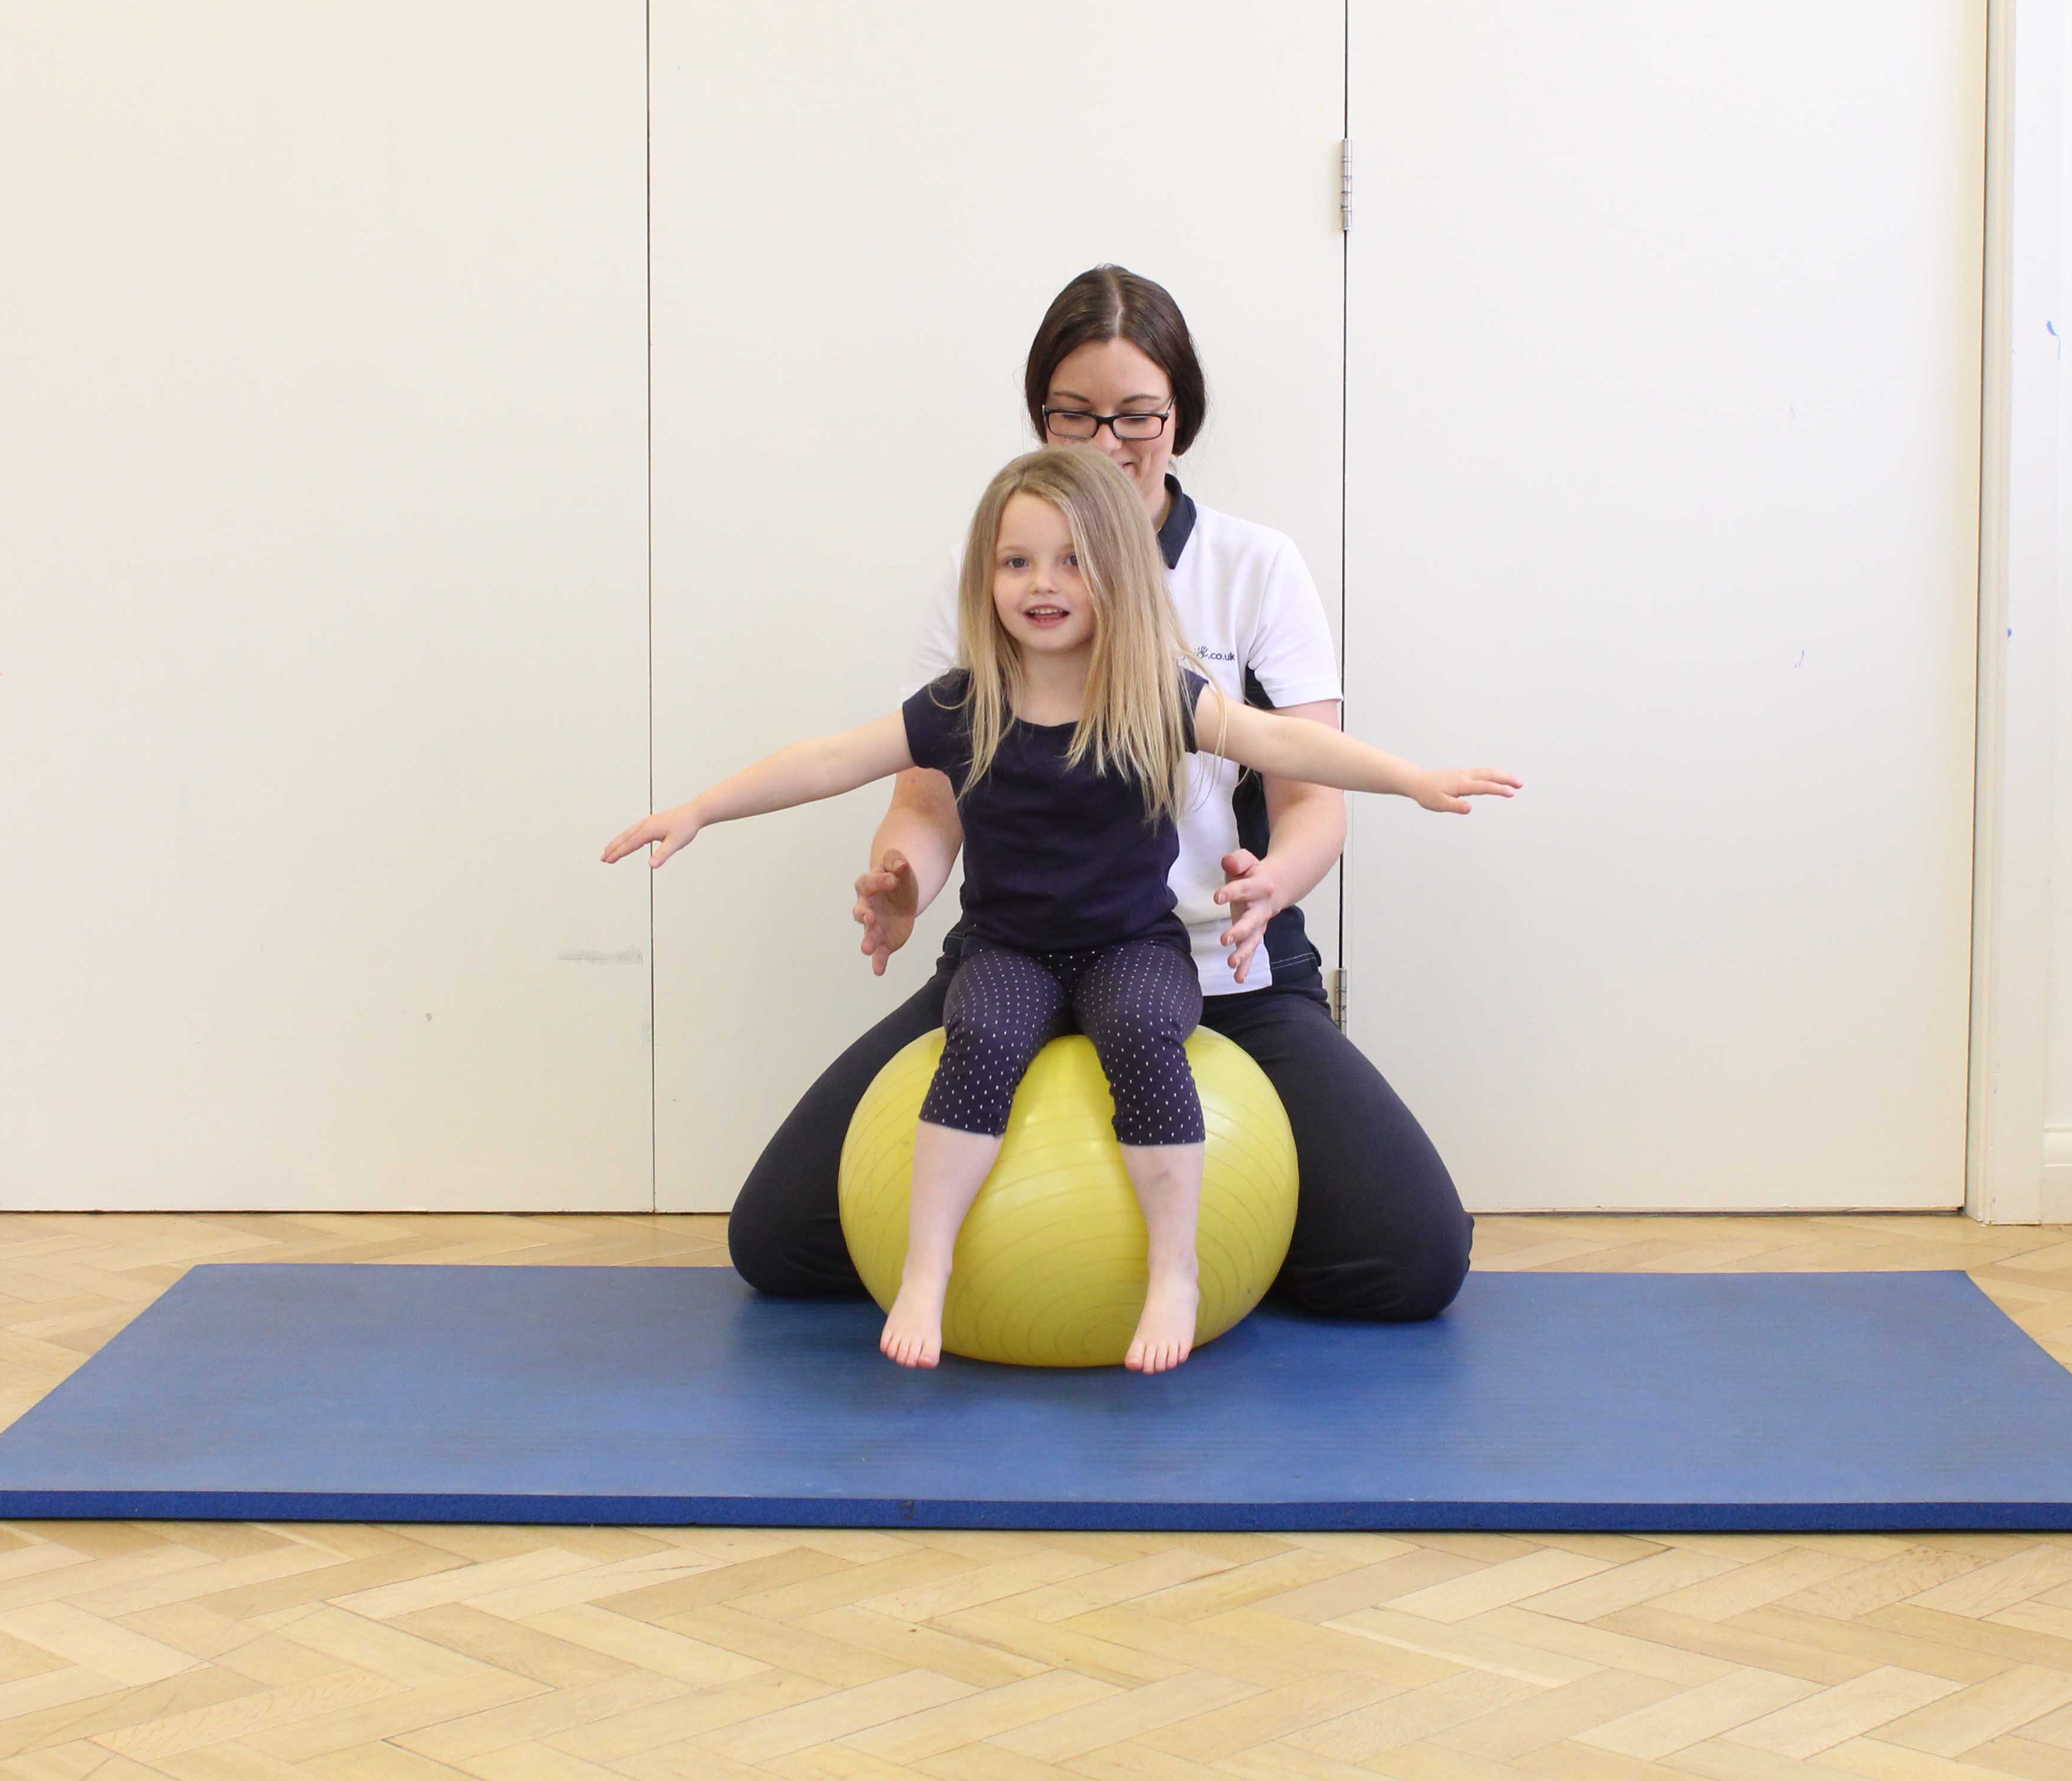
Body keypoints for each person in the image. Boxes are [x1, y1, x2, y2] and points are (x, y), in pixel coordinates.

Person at [609, 448, 1516, 1370]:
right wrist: (700, 809)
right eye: (1017, 562)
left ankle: (1174, 1272)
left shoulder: (1154, 695)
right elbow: (833, 759)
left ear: (1118, 572)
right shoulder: (965, 705)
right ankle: (927, 1269)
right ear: (987, 578)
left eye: (1073, 560)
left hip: (1133, 947)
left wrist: (1412, 780)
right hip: (1009, 951)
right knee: (981, 1045)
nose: (1043, 584)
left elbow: (1283, 742)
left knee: (1145, 1037)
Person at [730, 264, 1484, 1323]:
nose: (1107, 444)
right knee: (780, 1242)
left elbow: (1312, 792)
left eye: (1138, 416)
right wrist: (906, 873)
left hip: (1220, 968)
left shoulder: (1253, 567)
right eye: (1073, 417)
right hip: (1016, 955)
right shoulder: (1000, 564)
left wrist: (1274, 882)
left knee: (1408, 1260)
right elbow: (929, 791)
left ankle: (1199, 1247)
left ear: (1181, 417)